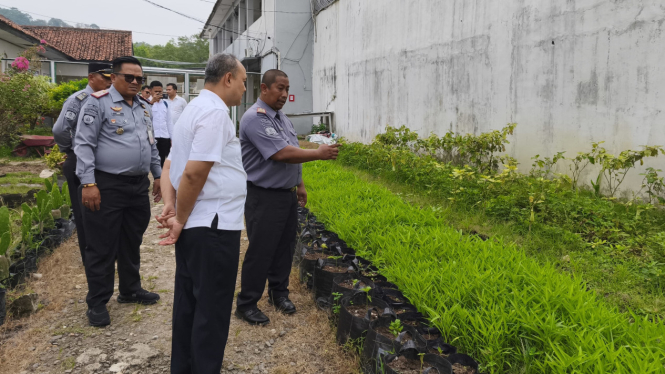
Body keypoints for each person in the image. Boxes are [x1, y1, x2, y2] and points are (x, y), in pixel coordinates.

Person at [157, 53, 247, 374]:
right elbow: (194, 173)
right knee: (211, 312)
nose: (244, 90)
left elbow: (169, 166)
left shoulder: (191, 110)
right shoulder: (214, 113)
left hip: (199, 227)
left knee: (189, 305)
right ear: (228, 79)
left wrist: (171, 204)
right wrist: (178, 218)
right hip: (213, 228)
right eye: (243, 81)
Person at [235, 69, 340, 325]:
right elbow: (281, 154)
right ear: (264, 88)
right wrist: (318, 153)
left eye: (287, 89)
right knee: (261, 250)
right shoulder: (255, 119)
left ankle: (278, 293)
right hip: (263, 196)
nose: (284, 94)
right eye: (279, 88)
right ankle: (247, 303)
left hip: (286, 194)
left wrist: (299, 184)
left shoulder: (281, 118)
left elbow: (291, 151)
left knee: (285, 247)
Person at [74, 56, 162, 327]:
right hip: (106, 185)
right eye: (130, 77)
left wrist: (158, 175)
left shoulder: (144, 107)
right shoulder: (97, 103)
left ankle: (130, 289)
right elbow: (83, 145)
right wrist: (88, 183)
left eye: (140, 79)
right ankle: (98, 301)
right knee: (101, 245)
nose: (136, 82)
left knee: (131, 240)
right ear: (114, 78)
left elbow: (151, 143)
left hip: (137, 186)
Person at [52, 62, 112, 265]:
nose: (109, 81)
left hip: (101, 163)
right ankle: (90, 259)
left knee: (103, 210)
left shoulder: (108, 100)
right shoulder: (78, 100)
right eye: (105, 77)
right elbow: (60, 130)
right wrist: (73, 149)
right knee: (85, 213)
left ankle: (106, 255)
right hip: (80, 161)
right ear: (91, 77)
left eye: (111, 77)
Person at [149, 81, 173, 167]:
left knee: (162, 159)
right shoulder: (147, 103)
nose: (158, 93)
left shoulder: (165, 104)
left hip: (164, 136)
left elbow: (169, 122)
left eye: (160, 91)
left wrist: (171, 138)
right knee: (151, 158)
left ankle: (160, 177)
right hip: (152, 136)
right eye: (156, 91)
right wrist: (151, 102)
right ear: (151, 91)